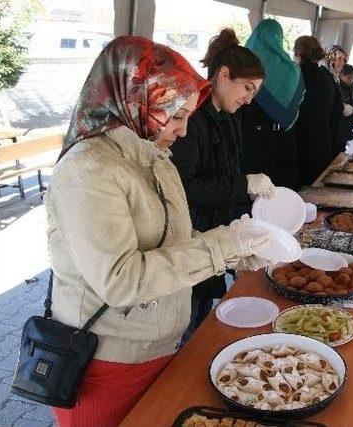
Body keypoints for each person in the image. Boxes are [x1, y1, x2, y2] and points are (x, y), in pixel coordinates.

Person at [46, 36, 272, 426]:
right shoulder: (89, 169)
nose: (184, 131)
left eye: (188, 115)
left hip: (161, 349)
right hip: (107, 365)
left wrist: (237, 247)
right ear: (138, 100)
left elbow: (176, 245)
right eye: (177, 115)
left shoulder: (156, 158)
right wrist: (220, 250)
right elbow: (120, 281)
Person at [170, 28, 274, 340]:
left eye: (254, 92)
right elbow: (184, 188)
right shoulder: (193, 117)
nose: (249, 98)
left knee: (202, 318)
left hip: (215, 234)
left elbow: (227, 172)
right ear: (224, 75)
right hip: (189, 238)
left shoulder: (228, 115)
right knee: (185, 325)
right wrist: (243, 185)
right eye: (247, 88)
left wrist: (251, 219)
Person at [240, 19, 306, 190]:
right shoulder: (292, 69)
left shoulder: (244, 65)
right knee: (281, 195)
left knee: (255, 194)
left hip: (250, 140)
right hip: (283, 140)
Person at [293, 36, 337, 186]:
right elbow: (337, 108)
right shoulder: (326, 76)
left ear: (298, 55)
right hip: (324, 141)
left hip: (301, 145)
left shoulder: (296, 77)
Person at [325, 44, 350, 157]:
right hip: (330, 127)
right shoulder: (326, 77)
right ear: (330, 59)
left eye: (343, 59)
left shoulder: (336, 77)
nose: (341, 63)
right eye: (338, 59)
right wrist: (342, 107)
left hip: (338, 126)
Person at [339, 64, 353, 143]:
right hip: (342, 125)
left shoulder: (351, 86)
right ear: (342, 75)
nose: (352, 80)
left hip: (351, 123)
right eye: (349, 78)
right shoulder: (337, 88)